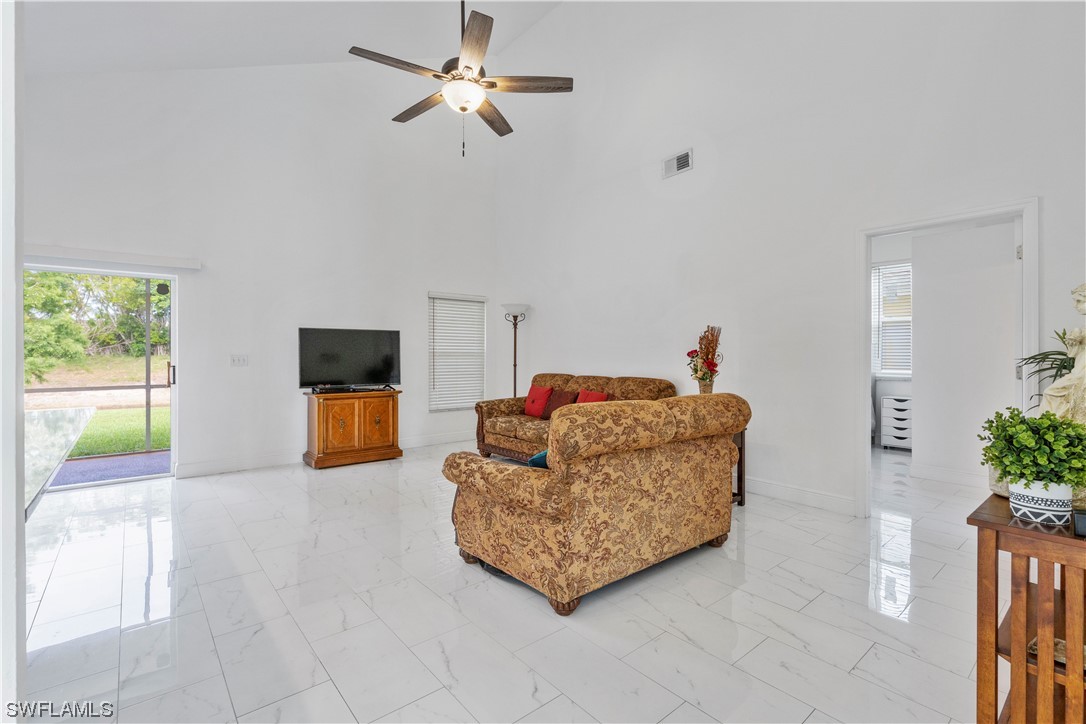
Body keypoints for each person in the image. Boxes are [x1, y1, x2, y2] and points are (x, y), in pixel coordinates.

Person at [1040, 283, 1086, 423]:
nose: (1075, 305)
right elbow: (1072, 356)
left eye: (1079, 301)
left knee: (1052, 393)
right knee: (1051, 393)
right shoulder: (1082, 328)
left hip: (1082, 374)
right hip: (1079, 371)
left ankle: (1049, 430)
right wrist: (1074, 343)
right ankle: (1049, 431)